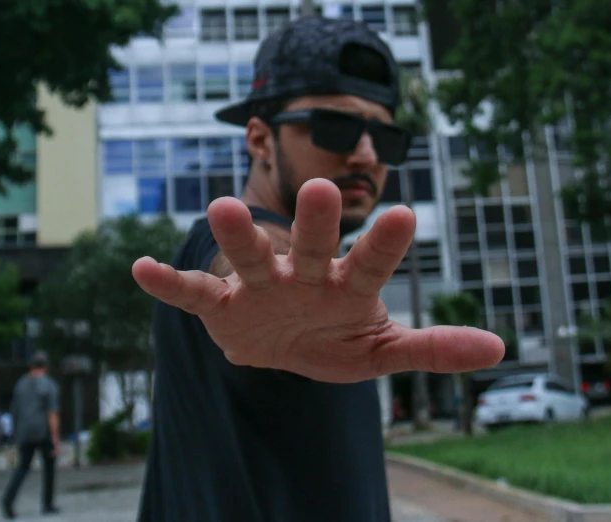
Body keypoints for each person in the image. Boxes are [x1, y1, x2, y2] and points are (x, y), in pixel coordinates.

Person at [131, 15, 505, 522]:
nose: (368, 154)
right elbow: (254, 261)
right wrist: (272, 275)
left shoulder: (330, 295)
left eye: (386, 136)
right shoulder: (218, 253)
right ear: (260, 141)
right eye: (338, 126)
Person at [0, 350, 61, 519]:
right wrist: (55, 438)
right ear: (46, 367)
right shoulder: (49, 385)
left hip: (25, 431)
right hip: (43, 430)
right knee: (49, 466)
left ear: (30, 366)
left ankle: (8, 498)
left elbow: (14, 411)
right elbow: (52, 413)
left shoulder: (21, 384)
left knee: (23, 467)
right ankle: (47, 503)